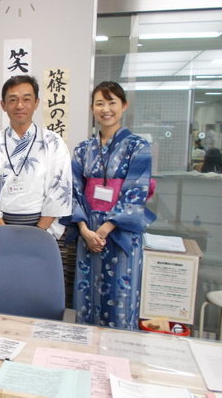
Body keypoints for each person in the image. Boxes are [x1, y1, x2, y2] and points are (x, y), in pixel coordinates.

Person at [61, 81, 156, 330]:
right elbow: (73, 190)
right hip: (88, 231)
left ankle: (119, 351)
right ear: (92, 108)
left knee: (120, 298)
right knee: (86, 298)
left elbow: (137, 190)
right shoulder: (83, 149)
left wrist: (104, 230)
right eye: (100, 103)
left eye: (112, 102)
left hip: (120, 232)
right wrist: (84, 229)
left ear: (124, 105)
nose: (106, 109)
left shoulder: (138, 146)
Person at [0, 75, 72, 239]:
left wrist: (40, 232)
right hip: (0, 228)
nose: (20, 106)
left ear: (36, 103)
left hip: (41, 229)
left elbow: (59, 188)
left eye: (26, 99)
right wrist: (4, 232)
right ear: (3, 105)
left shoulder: (53, 142)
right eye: (13, 100)